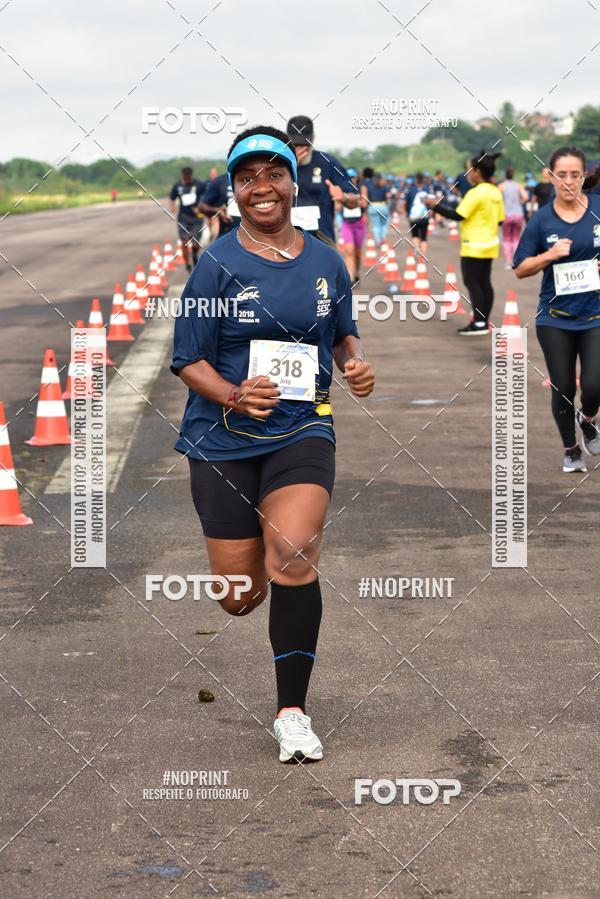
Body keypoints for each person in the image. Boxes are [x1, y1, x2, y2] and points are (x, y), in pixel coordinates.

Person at [171, 125, 375, 763]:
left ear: (292, 182)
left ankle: (292, 712)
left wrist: (355, 364)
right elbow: (187, 360)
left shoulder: (324, 259)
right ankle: (256, 563)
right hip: (222, 439)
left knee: (291, 552)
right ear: (234, 192)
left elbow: (343, 335)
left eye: (272, 174)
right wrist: (232, 393)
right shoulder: (217, 264)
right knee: (237, 597)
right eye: (247, 179)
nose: (262, 188)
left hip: (302, 426)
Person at [513, 146, 600, 473]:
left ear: (583, 176)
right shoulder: (542, 220)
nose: (568, 182)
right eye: (561, 175)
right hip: (555, 318)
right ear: (551, 177)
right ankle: (571, 449)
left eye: (575, 175)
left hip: (595, 314)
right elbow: (520, 267)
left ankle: (588, 418)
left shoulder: (598, 210)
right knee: (563, 387)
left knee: (594, 385)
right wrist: (548, 256)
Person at [426, 151, 504, 335]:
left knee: (473, 283)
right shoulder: (495, 192)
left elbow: (458, 215)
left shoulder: (476, 193)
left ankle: (478, 323)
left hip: (473, 244)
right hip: (490, 243)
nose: (468, 174)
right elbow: (500, 219)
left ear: (477, 172)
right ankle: (483, 321)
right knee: (485, 282)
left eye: (470, 170)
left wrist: (435, 205)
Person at [286, 115, 359, 246]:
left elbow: (357, 200)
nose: (300, 148)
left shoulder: (328, 162)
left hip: (322, 240)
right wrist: (291, 165)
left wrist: (345, 198)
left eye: (304, 143)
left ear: (312, 139)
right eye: (295, 144)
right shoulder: (278, 163)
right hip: (285, 242)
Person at [169, 167, 207, 272]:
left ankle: (194, 254)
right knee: (184, 241)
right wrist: (173, 206)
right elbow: (172, 198)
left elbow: (207, 196)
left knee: (195, 243)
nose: (187, 180)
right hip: (183, 218)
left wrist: (200, 207)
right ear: (182, 176)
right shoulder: (178, 186)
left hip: (197, 219)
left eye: (188, 178)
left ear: (191, 175)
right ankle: (187, 264)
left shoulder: (199, 184)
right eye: (185, 178)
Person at [340, 168, 368, 283]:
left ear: (357, 178)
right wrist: (346, 199)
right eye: (349, 177)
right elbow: (337, 206)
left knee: (357, 253)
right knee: (349, 250)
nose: (351, 179)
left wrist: (350, 199)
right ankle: (350, 277)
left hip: (359, 224)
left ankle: (356, 273)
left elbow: (364, 203)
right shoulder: (342, 189)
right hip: (347, 223)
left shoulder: (362, 188)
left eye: (353, 177)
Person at [498, 166, 527, 268]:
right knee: (516, 238)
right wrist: (520, 202)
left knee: (506, 238)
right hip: (518, 214)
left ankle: (508, 262)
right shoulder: (518, 185)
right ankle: (516, 260)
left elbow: (497, 199)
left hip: (506, 214)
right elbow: (526, 197)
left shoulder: (501, 186)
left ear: (505, 175)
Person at [199, 171, 241, 240]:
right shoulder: (219, 181)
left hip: (256, 238)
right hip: (227, 233)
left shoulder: (258, 179)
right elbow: (202, 206)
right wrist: (217, 211)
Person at [404, 172, 432, 257]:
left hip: (413, 216)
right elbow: (431, 202)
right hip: (425, 216)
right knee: (424, 237)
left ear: (415, 180)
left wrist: (407, 214)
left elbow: (406, 203)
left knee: (415, 234)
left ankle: (416, 248)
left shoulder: (411, 190)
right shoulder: (427, 189)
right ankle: (423, 256)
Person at [363, 172, 391, 246]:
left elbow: (366, 197)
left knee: (375, 225)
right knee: (384, 224)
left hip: (373, 207)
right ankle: (383, 238)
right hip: (383, 206)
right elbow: (388, 196)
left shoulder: (369, 186)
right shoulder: (385, 186)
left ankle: (378, 241)